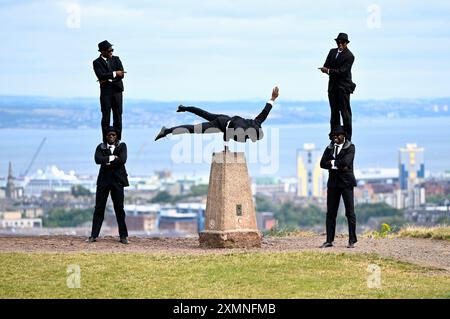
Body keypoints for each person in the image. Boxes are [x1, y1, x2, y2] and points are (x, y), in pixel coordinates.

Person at [154, 87, 279, 146]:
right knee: (193, 129)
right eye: (254, 139)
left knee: (202, 113)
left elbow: (265, 112)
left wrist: (272, 99)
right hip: (220, 125)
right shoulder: (242, 131)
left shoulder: (256, 123)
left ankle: (184, 108)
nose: (252, 141)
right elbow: (228, 133)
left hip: (225, 118)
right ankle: (166, 131)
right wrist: (226, 148)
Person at [88, 126, 129, 244]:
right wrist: (112, 158)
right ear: (105, 136)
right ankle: (93, 235)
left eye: (113, 135)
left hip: (117, 181)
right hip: (103, 181)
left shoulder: (122, 146)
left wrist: (106, 160)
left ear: (117, 136)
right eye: (109, 135)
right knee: (99, 208)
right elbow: (97, 159)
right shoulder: (100, 147)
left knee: (119, 209)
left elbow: (122, 160)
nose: (111, 137)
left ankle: (123, 236)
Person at [319, 126, 357, 248]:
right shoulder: (329, 148)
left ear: (344, 136)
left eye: (338, 135)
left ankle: (352, 240)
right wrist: (338, 165)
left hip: (346, 183)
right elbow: (322, 164)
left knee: (349, 212)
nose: (336, 137)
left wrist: (332, 163)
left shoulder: (350, 147)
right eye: (334, 135)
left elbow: (347, 162)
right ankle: (329, 240)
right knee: (330, 213)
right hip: (333, 184)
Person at [319, 33, 356, 141]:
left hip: (343, 88)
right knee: (334, 112)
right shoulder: (332, 51)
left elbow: (342, 72)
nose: (340, 44)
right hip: (333, 87)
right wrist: (327, 69)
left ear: (346, 43)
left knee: (345, 113)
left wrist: (329, 71)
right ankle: (334, 135)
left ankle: (348, 137)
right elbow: (327, 64)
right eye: (338, 42)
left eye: (342, 42)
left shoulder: (350, 56)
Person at [93, 40, 126, 142]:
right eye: (109, 50)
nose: (111, 52)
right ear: (102, 51)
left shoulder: (116, 59)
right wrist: (115, 73)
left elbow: (122, 74)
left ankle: (118, 140)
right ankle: (105, 140)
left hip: (117, 92)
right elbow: (100, 75)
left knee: (118, 116)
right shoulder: (96, 62)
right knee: (106, 116)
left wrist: (107, 78)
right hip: (105, 93)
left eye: (112, 50)